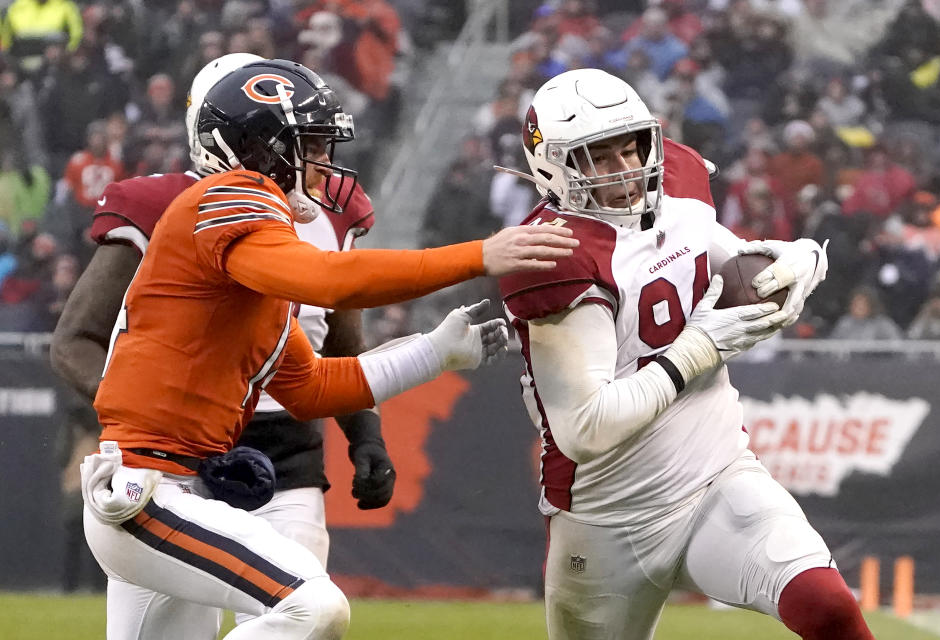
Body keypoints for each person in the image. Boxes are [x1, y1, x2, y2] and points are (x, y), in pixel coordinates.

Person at [71, 58, 577, 640]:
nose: (325, 164)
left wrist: (436, 353)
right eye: (310, 144)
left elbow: (311, 387)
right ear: (258, 150)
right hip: (150, 491)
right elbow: (330, 281)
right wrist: (478, 256)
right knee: (312, 607)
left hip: (164, 490)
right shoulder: (227, 198)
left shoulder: (249, 273)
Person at [499, 69, 873, 640]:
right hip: (607, 515)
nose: (628, 170)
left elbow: (740, 263)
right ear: (553, 166)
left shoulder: (677, 179)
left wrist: (799, 262)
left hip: (716, 471)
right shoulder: (555, 253)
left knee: (828, 607)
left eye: (632, 148)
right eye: (601, 158)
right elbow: (585, 428)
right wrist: (694, 352)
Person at [50, 53, 397, 634]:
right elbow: (75, 340)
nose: (315, 158)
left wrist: (366, 435)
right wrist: (146, 411)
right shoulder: (158, 207)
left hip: (285, 456)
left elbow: (339, 344)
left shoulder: (331, 212)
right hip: (169, 457)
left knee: (303, 618)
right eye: (285, 139)